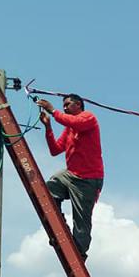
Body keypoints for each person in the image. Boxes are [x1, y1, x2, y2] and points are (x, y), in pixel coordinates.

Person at [36, 94, 104, 261]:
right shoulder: (69, 128)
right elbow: (55, 150)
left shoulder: (88, 118)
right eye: (63, 105)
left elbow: (75, 122)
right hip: (72, 175)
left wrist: (53, 111)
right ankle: (59, 225)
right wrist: (48, 127)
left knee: (81, 221)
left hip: (88, 179)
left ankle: (79, 254)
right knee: (50, 187)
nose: (65, 108)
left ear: (78, 104)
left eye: (67, 104)